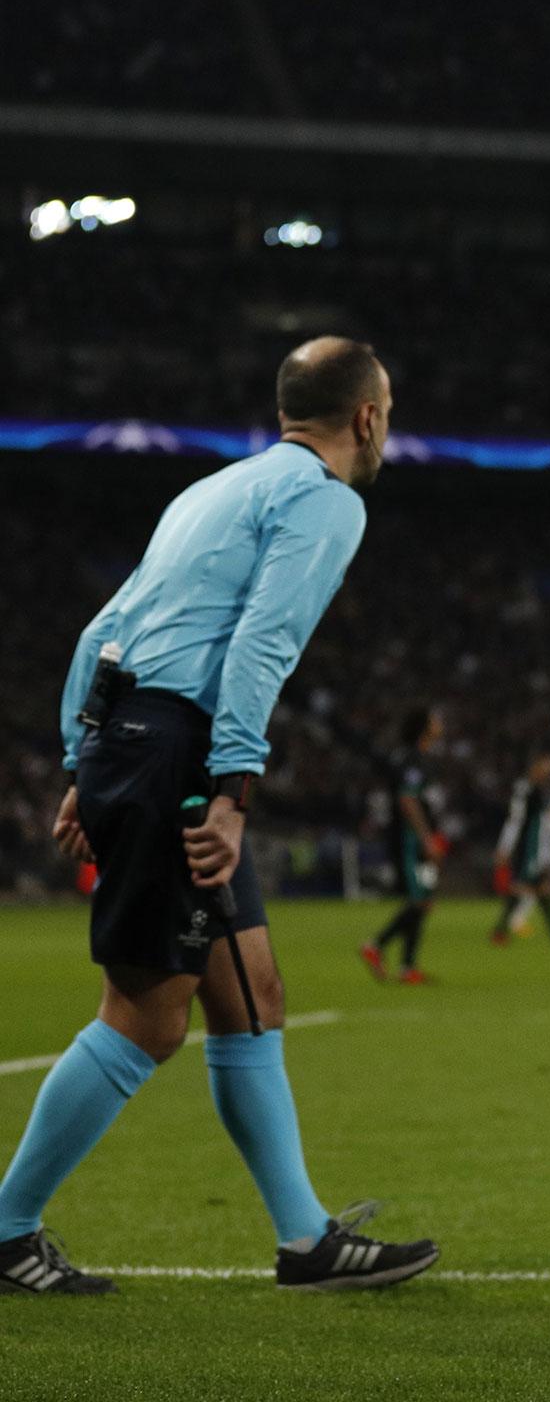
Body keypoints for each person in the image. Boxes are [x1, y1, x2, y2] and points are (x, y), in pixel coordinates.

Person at [1, 338, 439, 1295]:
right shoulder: (325, 502)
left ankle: (305, 1243)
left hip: (132, 732)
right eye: (389, 409)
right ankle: (5, 1230)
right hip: (177, 756)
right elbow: (260, 646)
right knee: (147, 1016)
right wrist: (233, 792)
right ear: (365, 415)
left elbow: (99, 630)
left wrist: (83, 758)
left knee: (252, 997)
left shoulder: (212, 491)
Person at [359, 708, 444, 984]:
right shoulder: (412, 759)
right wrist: (426, 838)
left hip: (415, 839)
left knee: (424, 901)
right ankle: (376, 945)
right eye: (434, 719)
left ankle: (408, 968)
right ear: (424, 726)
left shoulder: (415, 758)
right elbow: (407, 800)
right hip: (409, 840)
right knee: (419, 901)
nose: (439, 723)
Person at [490, 754, 550, 946]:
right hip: (530, 847)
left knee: (543, 888)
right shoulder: (527, 790)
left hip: (540, 847)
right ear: (536, 769)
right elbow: (516, 821)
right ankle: (501, 931)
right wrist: (504, 848)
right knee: (525, 887)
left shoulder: (541, 791)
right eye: (546, 770)